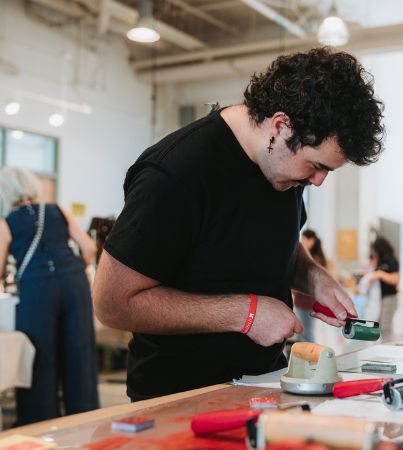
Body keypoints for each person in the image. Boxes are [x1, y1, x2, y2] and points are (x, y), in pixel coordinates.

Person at [93, 48, 377, 401]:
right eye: (316, 166)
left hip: (266, 383)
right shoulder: (176, 174)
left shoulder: (284, 168)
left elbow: (270, 238)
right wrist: (246, 314)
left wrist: (312, 276)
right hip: (179, 398)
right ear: (280, 126)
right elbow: (111, 303)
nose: (318, 181)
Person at [0, 168, 98, 425]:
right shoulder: (57, 210)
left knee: (40, 357)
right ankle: (85, 420)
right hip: (74, 283)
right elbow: (89, 248)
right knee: (79, 353)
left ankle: (40, 423)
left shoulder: (7, 223)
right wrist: (72, 270)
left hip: (37, 288)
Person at [366, 237, 400, 341]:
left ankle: (388, 347)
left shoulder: (391, 261)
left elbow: (394, 279)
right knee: (381, 326)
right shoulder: (379, 262)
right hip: (380, 299)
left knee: (385, 327)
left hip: (389, 298)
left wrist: (380, 274)